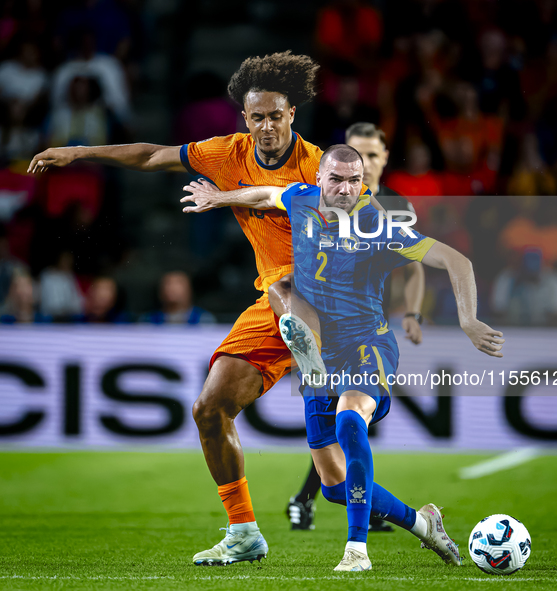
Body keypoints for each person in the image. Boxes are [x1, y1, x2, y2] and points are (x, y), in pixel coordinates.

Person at [28, 51, 365, 566]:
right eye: (258, 117)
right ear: (245, 119)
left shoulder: (323, 166)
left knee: (287, 284)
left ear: (292, 114)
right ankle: (244, 531)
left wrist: (226, 199)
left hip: (329, 292)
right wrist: (78, 152)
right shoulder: (227, 153)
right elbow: (149, 156)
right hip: (275, 304)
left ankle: (314, 351)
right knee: (209, 410)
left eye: (277, 115)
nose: (268, 126)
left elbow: (300, 203)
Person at [181, 144, 505, 572]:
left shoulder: (380, 227)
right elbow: (261, 195)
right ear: (319, 179)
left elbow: (456, 261)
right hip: (321, 354)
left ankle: (357, 551)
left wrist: (468, 320)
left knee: (351, 419)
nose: (346, 189)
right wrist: (217, 199)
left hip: (367, 345)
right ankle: (423, 524)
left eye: (355, 181)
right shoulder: (301, 199)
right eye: (336, 179)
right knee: (335, 486)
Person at [286, 122, 425, 531]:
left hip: (363, 331)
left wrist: (411, 312)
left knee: (350, 421)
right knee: (342, 446)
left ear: (380, 160)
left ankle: (347, 517)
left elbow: (413, 266)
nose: (366, 159)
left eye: (374, 153)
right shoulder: (322, 198)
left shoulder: (394, 207)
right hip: (320, 328)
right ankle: (320, 497)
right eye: (357, 150)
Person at [142, 271, 215, 325]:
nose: (172, 288)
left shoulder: (204, 319)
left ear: (189, 290)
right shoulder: (147, 320)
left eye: (178, 283)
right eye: (168, 284)